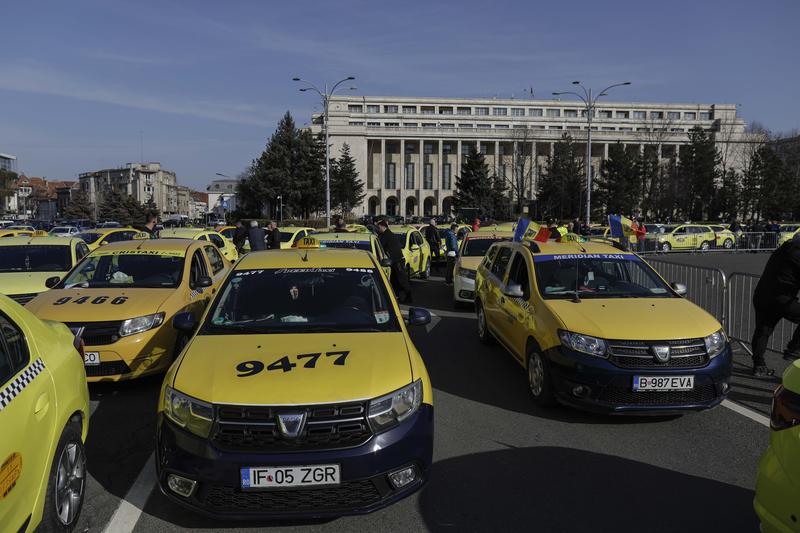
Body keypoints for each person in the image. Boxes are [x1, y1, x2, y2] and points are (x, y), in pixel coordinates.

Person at [750, 236, 800, 377]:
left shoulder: (783, 249)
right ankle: (794, 349)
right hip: (780, 298)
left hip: (762, 295)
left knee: (762, 331)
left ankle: (759, 365)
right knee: (763, 330)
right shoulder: (796, 254)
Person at [376, 220, 413, 303]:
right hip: (394, 260)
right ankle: (398, 296)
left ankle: (408, 296)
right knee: (395, 280)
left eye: (378, 227)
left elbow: (381, 245)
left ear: (383, 226)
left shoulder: (387, 235)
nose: (378, 229)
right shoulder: (385, 234)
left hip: (397, 260)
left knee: (402, 280)